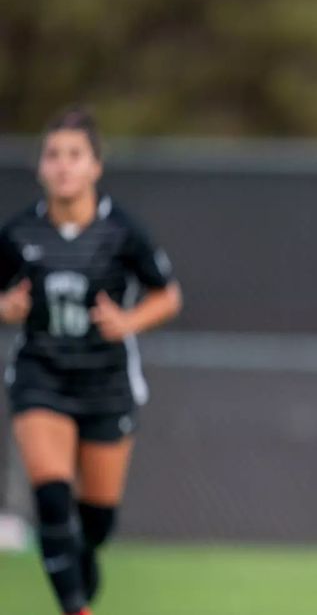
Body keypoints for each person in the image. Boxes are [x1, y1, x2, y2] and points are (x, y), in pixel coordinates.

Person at [0, 107, 183, 615]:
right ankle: (76, 609)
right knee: (53, 497)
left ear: (95, 167)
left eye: (74, 156)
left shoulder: (123, 232)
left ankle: (77, 564)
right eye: (53, 155)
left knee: (95, 523)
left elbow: (168, 296)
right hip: (43, 377)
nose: (63, 166)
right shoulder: (18, 234)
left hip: (105, 384)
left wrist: (129, 322)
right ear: (40, 167)